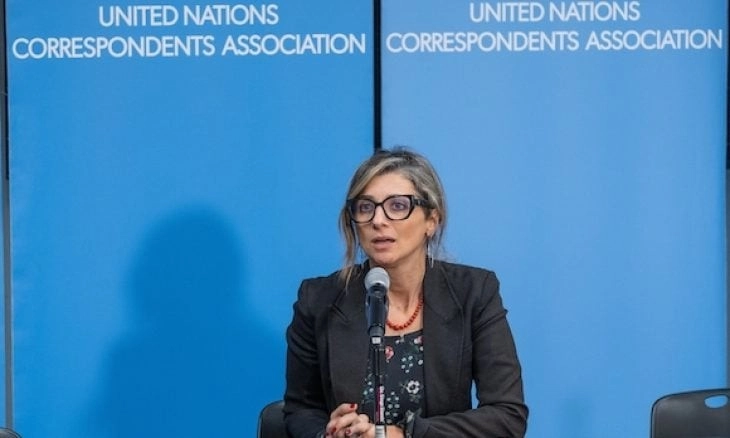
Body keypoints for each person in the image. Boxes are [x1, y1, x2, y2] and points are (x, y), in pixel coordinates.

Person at [283, 148, 528, 438]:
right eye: (365, 207)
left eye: (398, 206)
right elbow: (301, 410)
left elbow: (507, 415)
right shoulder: (318, 300)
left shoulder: (474, 292)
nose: (378, 220)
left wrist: (403, 434)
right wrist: (329, 434)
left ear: (432, 220)